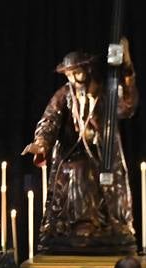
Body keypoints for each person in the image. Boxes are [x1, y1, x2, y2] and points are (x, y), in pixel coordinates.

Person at [23, 42, 138, 255]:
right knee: (76, 170)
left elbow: (127, 106)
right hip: (73, 153)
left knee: (97, 173)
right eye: (70, 75)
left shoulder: (105, 92)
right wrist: (41, 143)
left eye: (77, 73)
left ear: (87, 70)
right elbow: (50, 119)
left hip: (103, 153)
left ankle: (104, 224)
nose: (74, 79)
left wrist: (127, 71)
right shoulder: (64, 95)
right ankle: (77, 224)